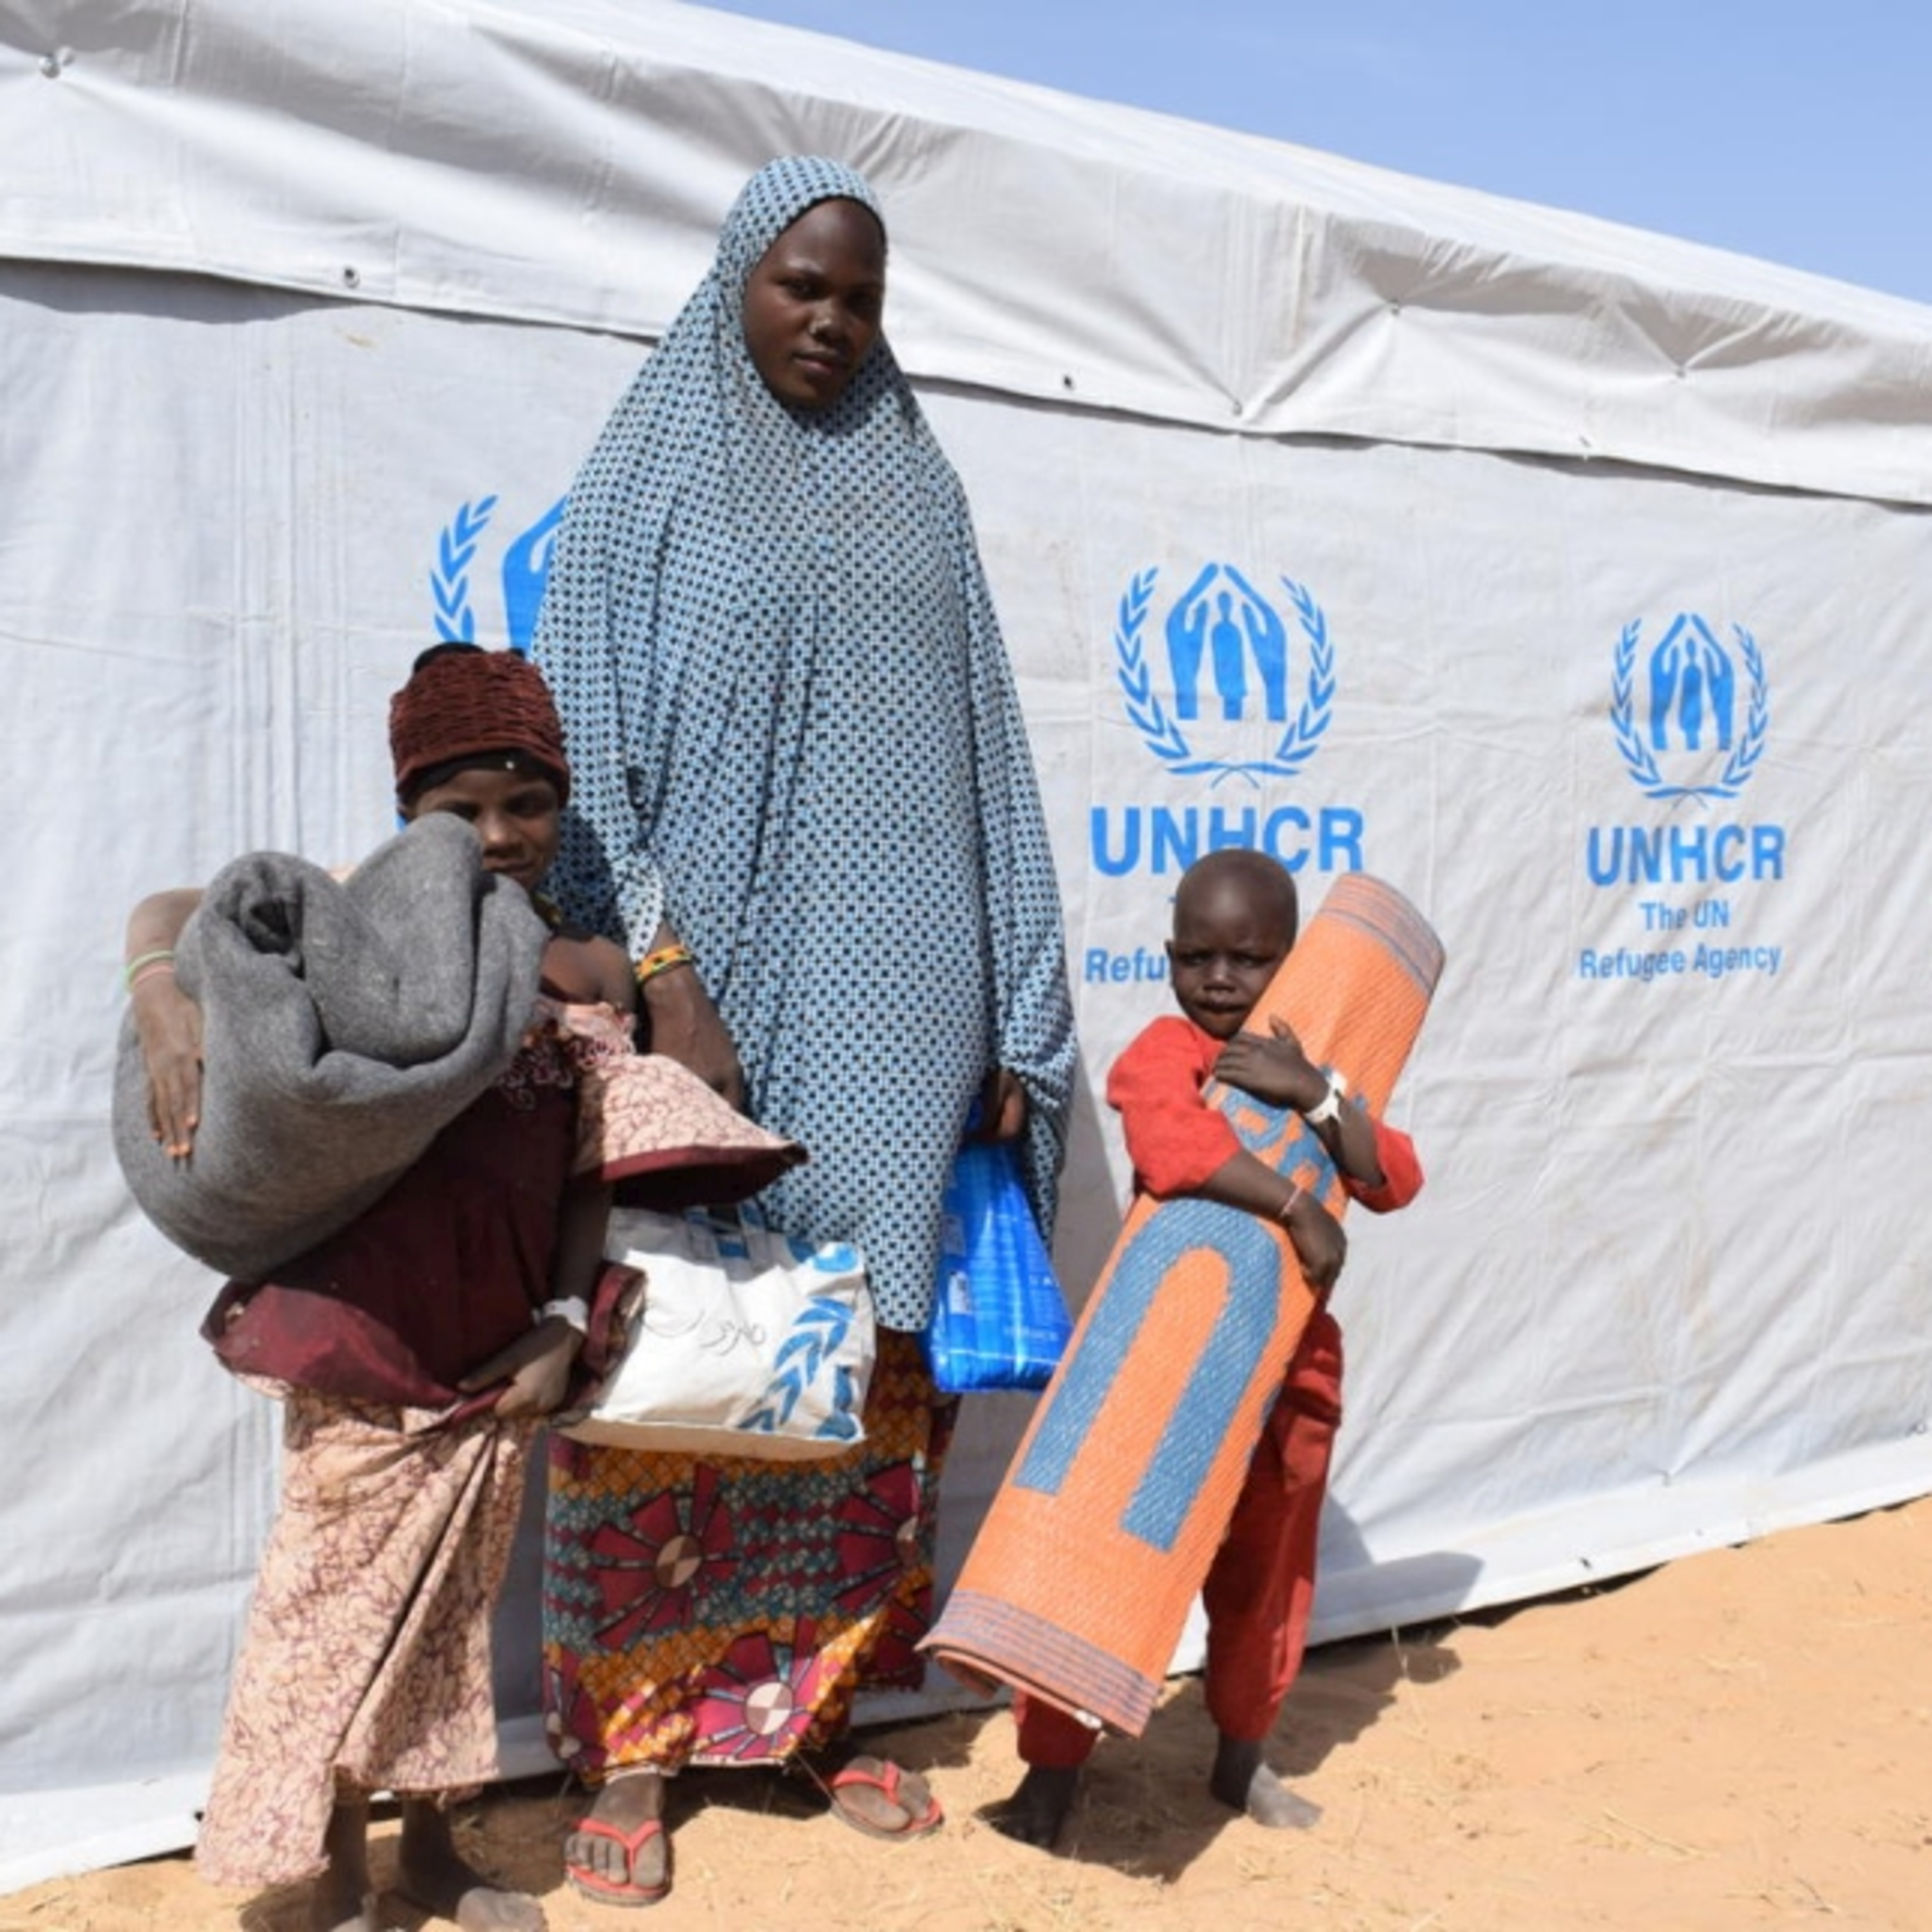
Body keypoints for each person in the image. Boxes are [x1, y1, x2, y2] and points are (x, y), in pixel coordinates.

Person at [531, 155, 1075, 1906]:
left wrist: (1013, 1001)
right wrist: (663, 965)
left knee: (864, 1390)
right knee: (675, 1364)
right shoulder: (642, 490)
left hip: (910, 1014)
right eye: (802, 289)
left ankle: (814, 1710)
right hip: (716, 1012)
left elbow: (991, 755)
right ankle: (633, 1744)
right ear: (733, 285)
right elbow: (576, 755)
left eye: (861, 297)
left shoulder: (923, 490)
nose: (834, 323)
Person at [126, 645, 634, 1932]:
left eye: (528, 804)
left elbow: (587, 1175)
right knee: (328, 1618)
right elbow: (169, 912)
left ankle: (434, 1859)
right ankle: (337, 1868)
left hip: (502, 1351)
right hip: (363, 1337)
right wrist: (160, 1002)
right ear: (409, 809)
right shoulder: (349, 917)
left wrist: (563, 1330)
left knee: (450, 1624)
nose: (501, 834)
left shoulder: (588, 975)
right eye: (460, 810)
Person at [990, 848, 1422, 1850]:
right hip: (1164, 1367)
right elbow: (1171, 1146)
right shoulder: (1165, 1049)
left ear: (1298, 960)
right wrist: (1296, 1210)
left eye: (1250, 959)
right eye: (1197, 957)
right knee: (1092, 1553)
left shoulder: (1316, 1067)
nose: (1220, 980)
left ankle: (1241, 1758)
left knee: (1266, 1576)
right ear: (1170, 958)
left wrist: (1316, 1095)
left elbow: (1394, 1174)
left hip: (1290, 1372)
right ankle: (1051, 1776)